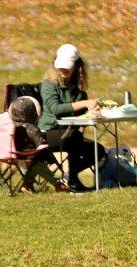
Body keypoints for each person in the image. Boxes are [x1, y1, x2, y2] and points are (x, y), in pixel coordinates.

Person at [38, 43, 106, 193]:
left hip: (69, 132)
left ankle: (70, 176)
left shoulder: (79, 88)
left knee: (98, 150)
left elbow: (79, 114)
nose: (62, 72)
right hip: (47, 132)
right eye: (60, 68)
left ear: (76, 66)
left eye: (66, 68)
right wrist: (84, 103)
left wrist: (91, 112)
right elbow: (56, 109)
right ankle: (74, 182)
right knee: (74, 138)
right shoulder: (49, 84)